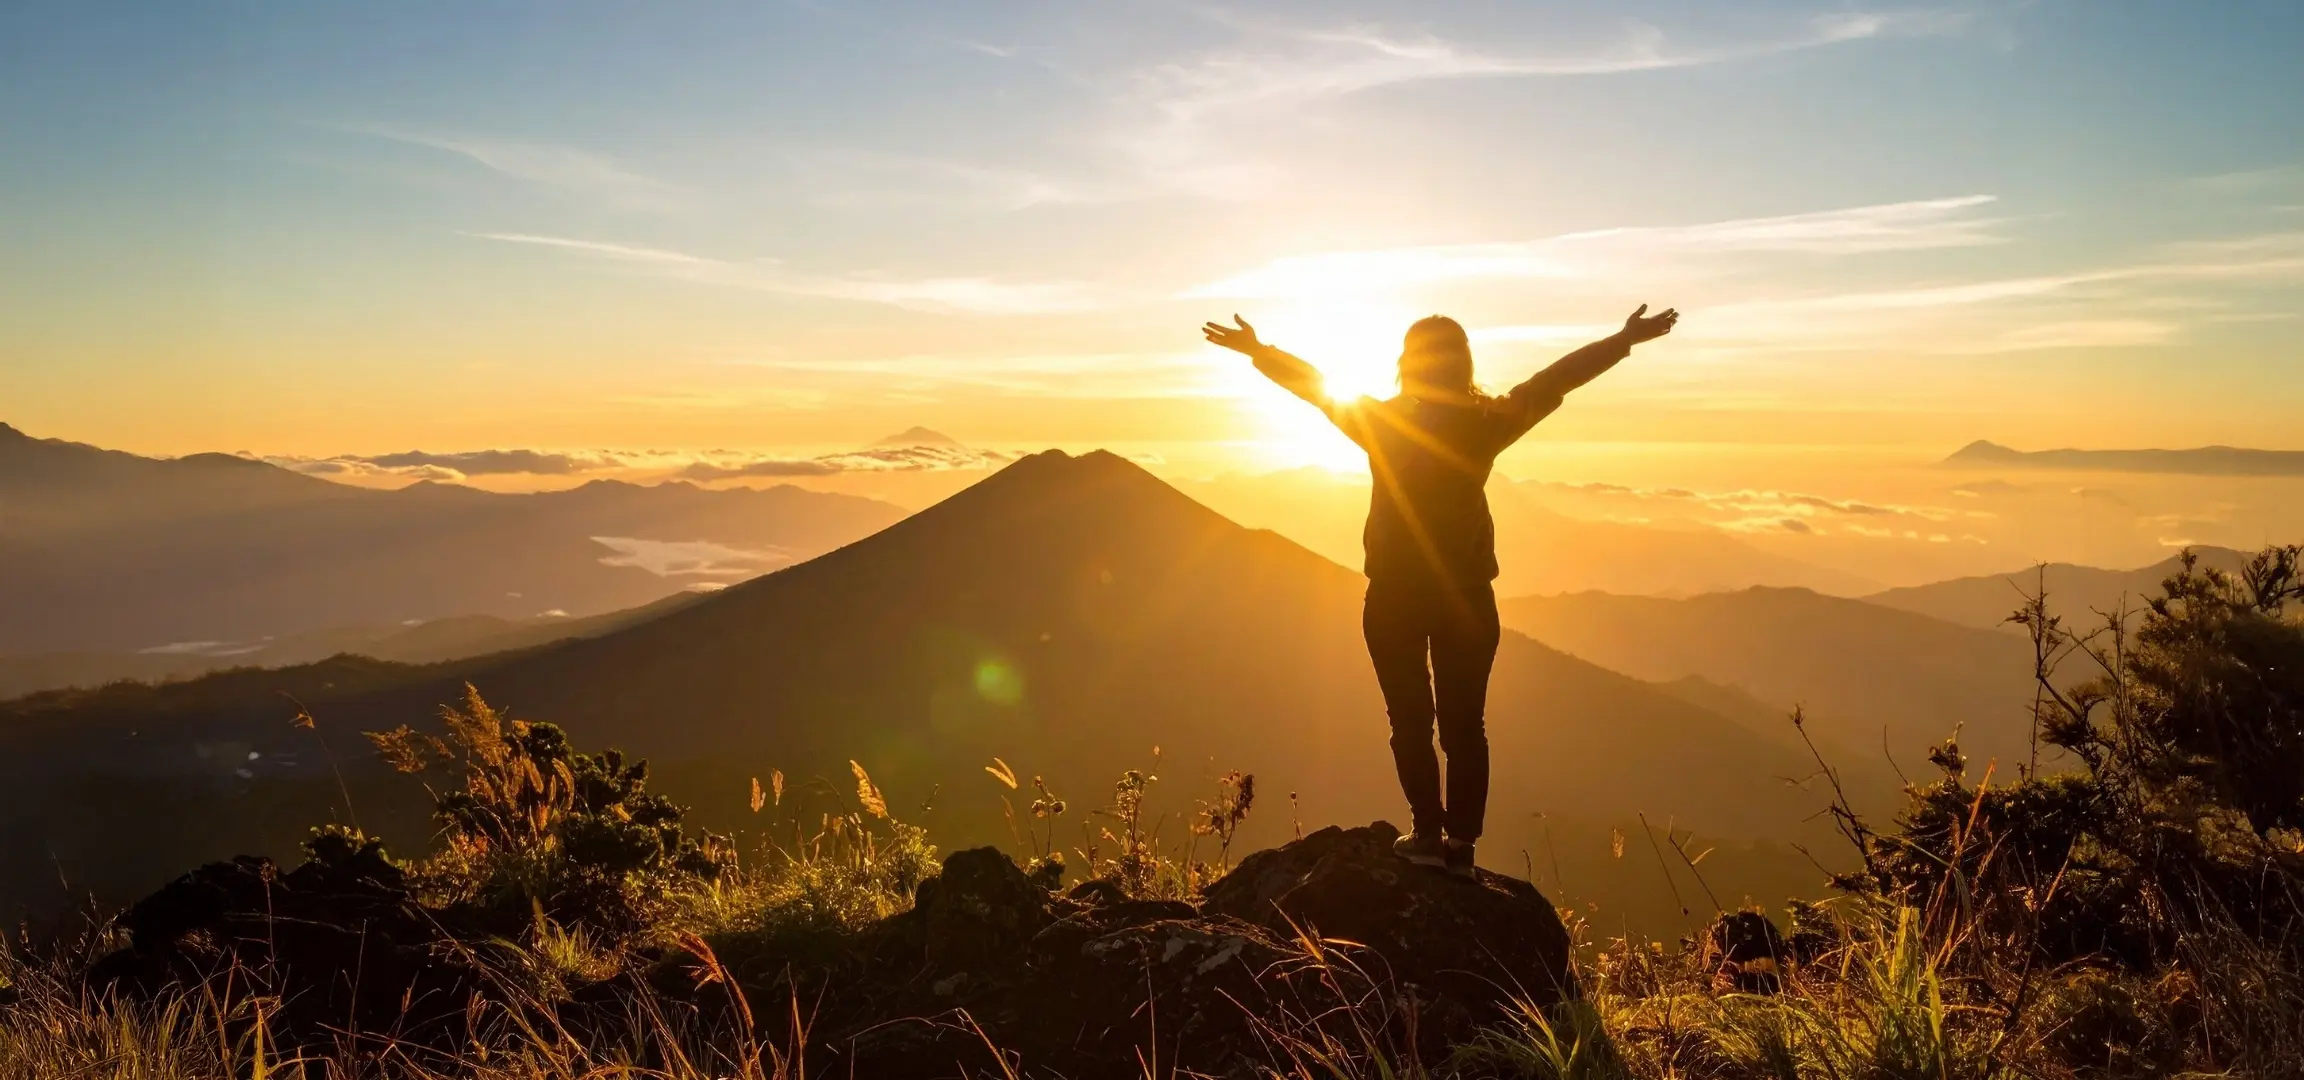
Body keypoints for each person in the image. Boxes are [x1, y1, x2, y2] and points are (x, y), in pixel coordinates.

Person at [1202, 306, 1679, 877]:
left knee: (1409, 722)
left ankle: (1428, 834)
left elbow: (1315, 388)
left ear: (1407, 365)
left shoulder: (1381, 423)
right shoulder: (1485, 421)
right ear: (1464, 364)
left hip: (1394, 598)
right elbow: (1555, 381)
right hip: (1466, 599)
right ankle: (1460, 850)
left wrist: (1260, 352)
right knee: (1463, 727)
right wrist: (1621, 340)